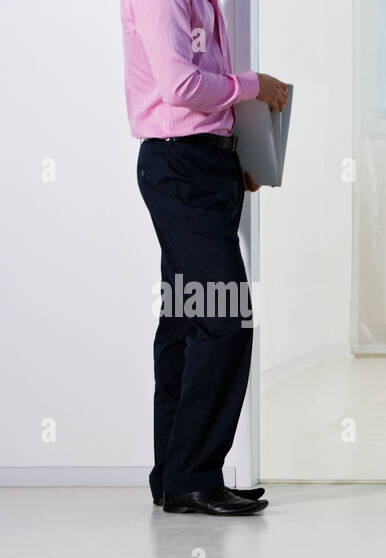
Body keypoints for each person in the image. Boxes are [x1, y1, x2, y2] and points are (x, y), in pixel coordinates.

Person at [123, 0, 288, 516]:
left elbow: (203, 90)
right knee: (224, 319)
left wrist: (237, 152)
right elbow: (182, 87)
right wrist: (254, 84)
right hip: (178, 165)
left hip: (206, 163)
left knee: (185, 322)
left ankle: (178, 477)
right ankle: (194, 477)